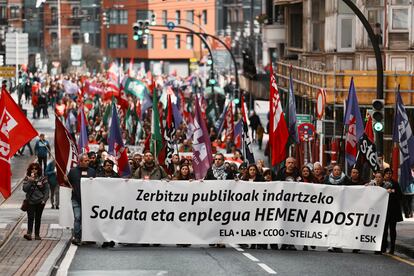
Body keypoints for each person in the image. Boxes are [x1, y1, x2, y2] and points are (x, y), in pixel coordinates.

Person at [65, 153, 96, 246]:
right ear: (80, 161)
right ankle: (77, 237)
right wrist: (66, 180)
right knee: (77, 217)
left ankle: (89, 237)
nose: (88, 162)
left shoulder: (92, 171)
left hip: (88, 200)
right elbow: (68, 184)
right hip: (76, 199)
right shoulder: (73, 171)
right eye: (86, 161)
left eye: (88, 161)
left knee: (88, 219)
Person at [22, 163, 49, 241]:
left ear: (38, 170)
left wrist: (44, 200)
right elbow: (25, 189)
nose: (34, 170)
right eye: (32, 169)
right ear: (30, 170)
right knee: (30, 218)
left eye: (35, 169)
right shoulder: (27, 178)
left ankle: (37, 234)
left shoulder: (43, 179)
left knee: (38, 218)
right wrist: (30, 181)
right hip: (30, 202)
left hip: (40, 202)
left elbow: (47, 191)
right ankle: (29, 233)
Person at [97, 159, 119, 248]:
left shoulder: (117, 177)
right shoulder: (99, 176)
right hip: (102, 202)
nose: (109, 166)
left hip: (113, 203)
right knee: (103, 222)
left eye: (110, 165)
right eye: (107, 165)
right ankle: (105, 239)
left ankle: (112, 239)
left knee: (112, 222)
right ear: (104, 166)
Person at [382, 168, 404, 254]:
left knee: (392, 230)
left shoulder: (395, 183)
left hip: (393, 211)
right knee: (384, 230)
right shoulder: (382, 183)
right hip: (384, 210)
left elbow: (400, 196)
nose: (388, 175)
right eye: (387, 173)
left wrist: (392, 191)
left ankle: (392, 248)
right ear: (384, 174)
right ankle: (383, 247)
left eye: (390, 173)